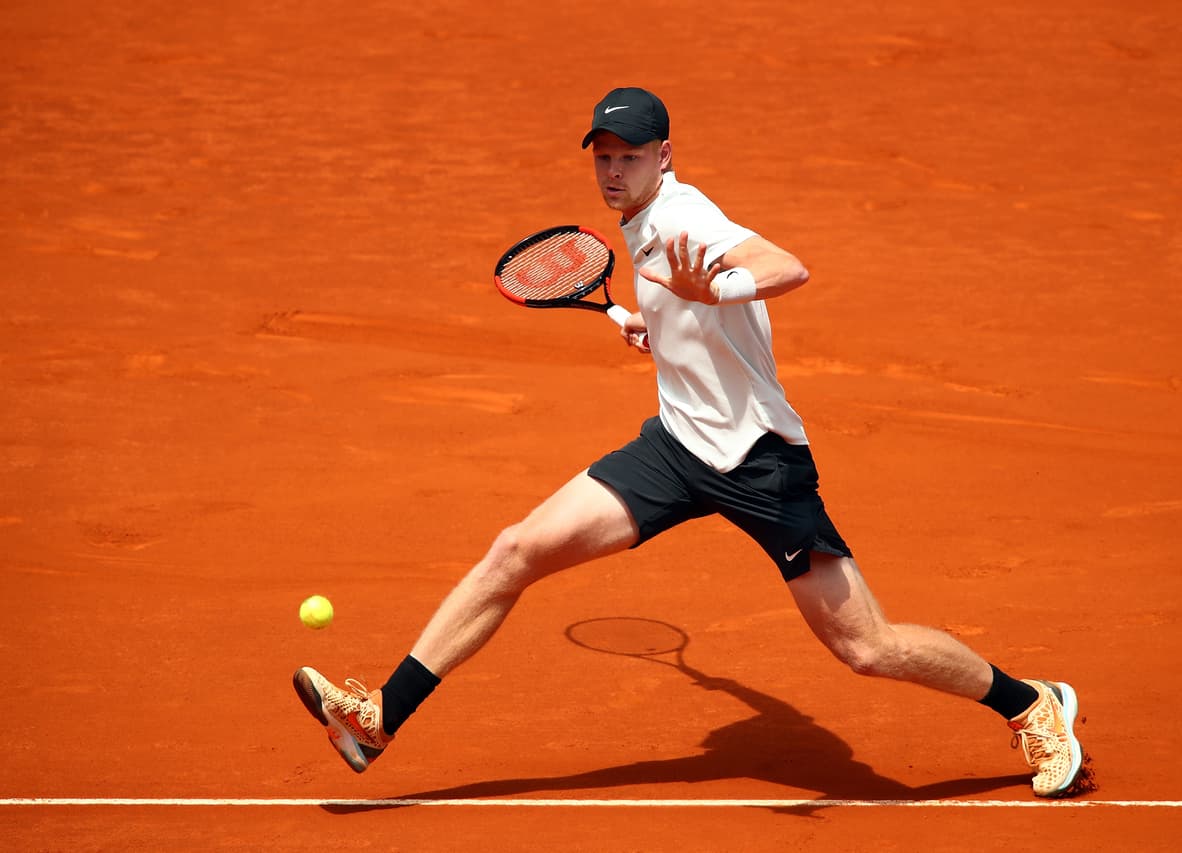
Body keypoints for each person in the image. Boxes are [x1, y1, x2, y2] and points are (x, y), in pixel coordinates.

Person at [293, 86, 1087, 798]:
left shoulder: (683, 217)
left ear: (663, 157)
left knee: (866, 646)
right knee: (514, 550)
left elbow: (788, 266)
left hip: (758, 464)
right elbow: (697, 314)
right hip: (675, 451)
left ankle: (1031, 703)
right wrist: (665, 326)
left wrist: (722, 284)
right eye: (603, 158)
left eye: (629, 157)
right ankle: (379, 717)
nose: (612, 173)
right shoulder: (642, 223)